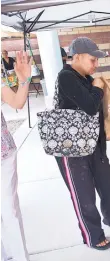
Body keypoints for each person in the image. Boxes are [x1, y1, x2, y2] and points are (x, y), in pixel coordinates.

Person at [54, 37, 110, 250]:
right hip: (72, 149)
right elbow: (89, 106)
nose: (96, 65)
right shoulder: (66, 77)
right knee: (84, 194)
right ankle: (93, 235)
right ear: (76, 57)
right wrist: (98, 87)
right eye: (92, 60)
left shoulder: (85, 78)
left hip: (93, 145)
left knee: (109, 183)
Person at [1, 51, 32, 261]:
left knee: (9, 210)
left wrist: (24, 80)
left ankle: (21, 257)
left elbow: (17, 102)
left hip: (2, 155)